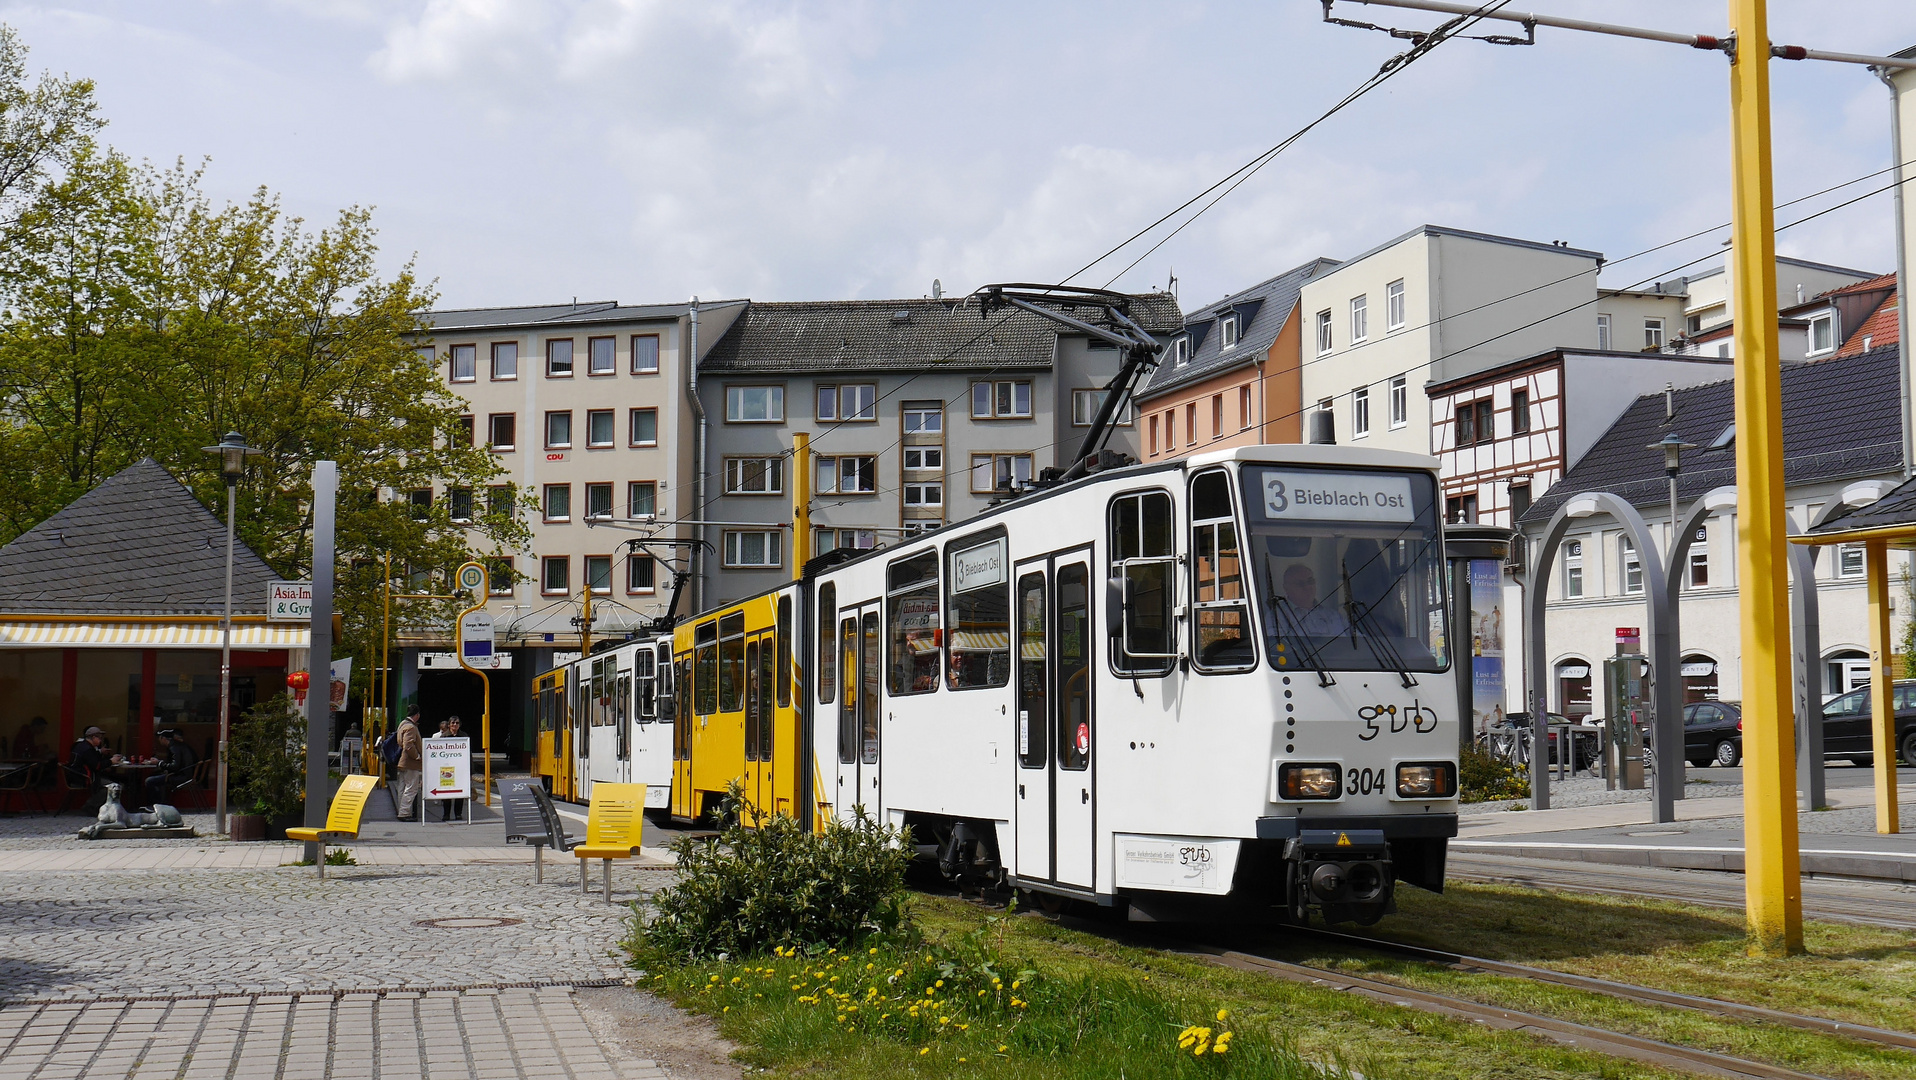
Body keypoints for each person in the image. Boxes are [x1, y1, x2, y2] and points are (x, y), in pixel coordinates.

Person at [1272, 564, 1349, 638]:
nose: (1308, 587)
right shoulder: (1277, 617)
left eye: (1310, 581)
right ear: (1286, 588)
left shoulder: (1334, 616)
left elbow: (1359, 644)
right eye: (1300, 583)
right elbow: (1275, 647)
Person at [143, 729, 198, 807]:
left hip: (182, 776)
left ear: (164, 738)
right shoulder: (178, 745)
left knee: (149, 781)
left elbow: (175, 766)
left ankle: (156, 805)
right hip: (186, 774)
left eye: (159, 738)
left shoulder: (174, 748)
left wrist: (158, 763)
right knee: (156, 775)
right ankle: (160, 802)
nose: (159, 741)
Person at [434, 715, 467, 822]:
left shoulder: (464, 736)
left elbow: (468, 754)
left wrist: (470, 771)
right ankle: (446, 814)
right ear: (449, 725)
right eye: (453, 723)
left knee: (460, 793)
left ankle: (458, 814)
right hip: (447, 769)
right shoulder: (443, 737)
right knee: (447, 792)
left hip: (460, 769)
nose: (455, 725)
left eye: (457, 723)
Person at [394, 706, 424, 822]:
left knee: (402, 787)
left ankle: (401, 810)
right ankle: (404, 812)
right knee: (411, 788)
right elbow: (408, 745)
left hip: (403, 761)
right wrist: (417, 756)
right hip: (410, 762)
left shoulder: (402, 724)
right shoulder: (411, 727)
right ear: (417, 715)